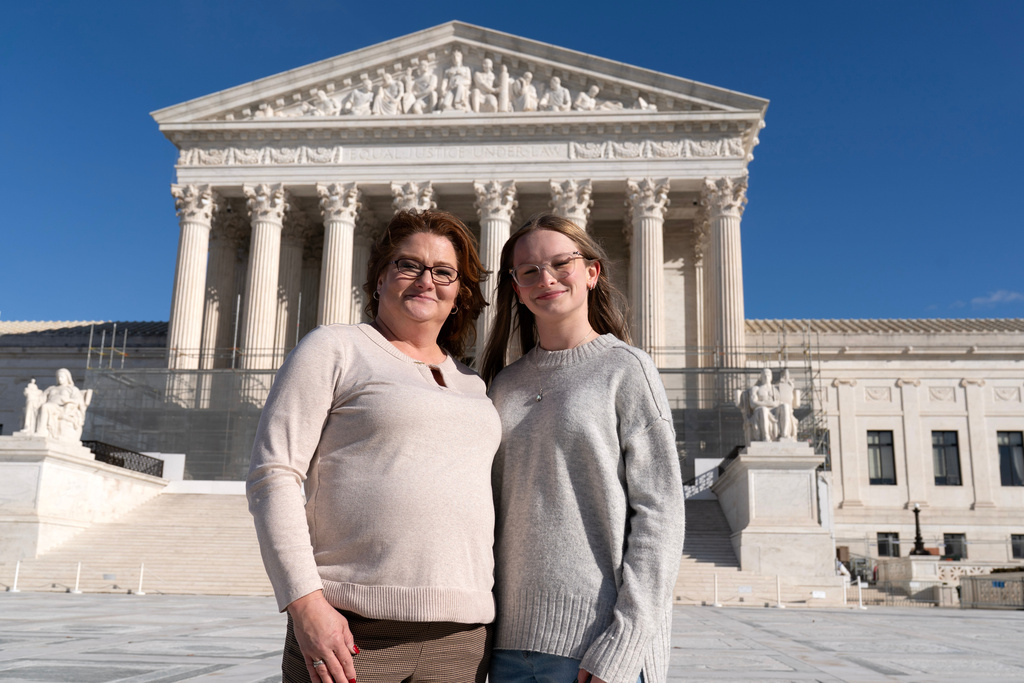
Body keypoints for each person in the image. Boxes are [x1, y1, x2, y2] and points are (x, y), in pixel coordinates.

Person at [248, 209, 500, 683]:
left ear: (459, 292)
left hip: (463, 638)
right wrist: (305, 604)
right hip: (352, 628)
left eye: (444, 272)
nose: (426, 280)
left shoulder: (475, 385)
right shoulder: (335, 347)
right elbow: (274, 474)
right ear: (380, 277)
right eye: (409, 265)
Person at [480, 214, 685, 683]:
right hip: (507, 648)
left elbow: (661, 514)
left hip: (595, 650)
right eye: (528, 270)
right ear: (515, 287)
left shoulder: (626, 370)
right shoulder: (504, 386)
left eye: (560, 263)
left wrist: (624, 643)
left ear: (592, 272)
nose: (545, 278)